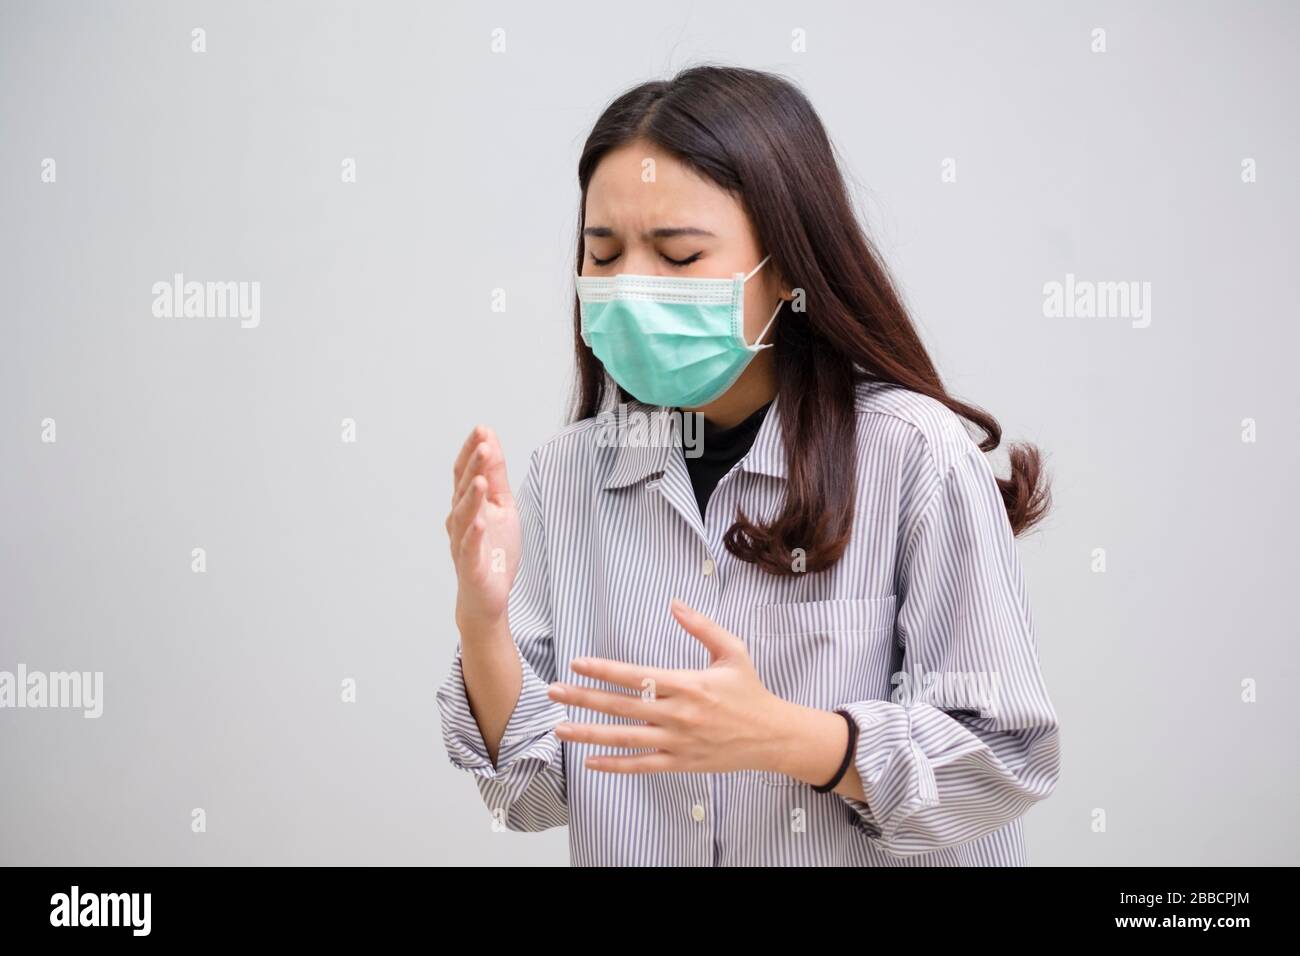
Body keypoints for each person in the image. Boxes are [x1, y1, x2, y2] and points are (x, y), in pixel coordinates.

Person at [436, 64, 1061, 866]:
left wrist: (797, 740)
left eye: (678, 254)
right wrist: (481, 623)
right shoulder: (565, 479)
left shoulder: (915, 455)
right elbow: (531, 793)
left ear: (788, 266)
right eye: (604, 251)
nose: (630, 287)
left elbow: (1004, 762)